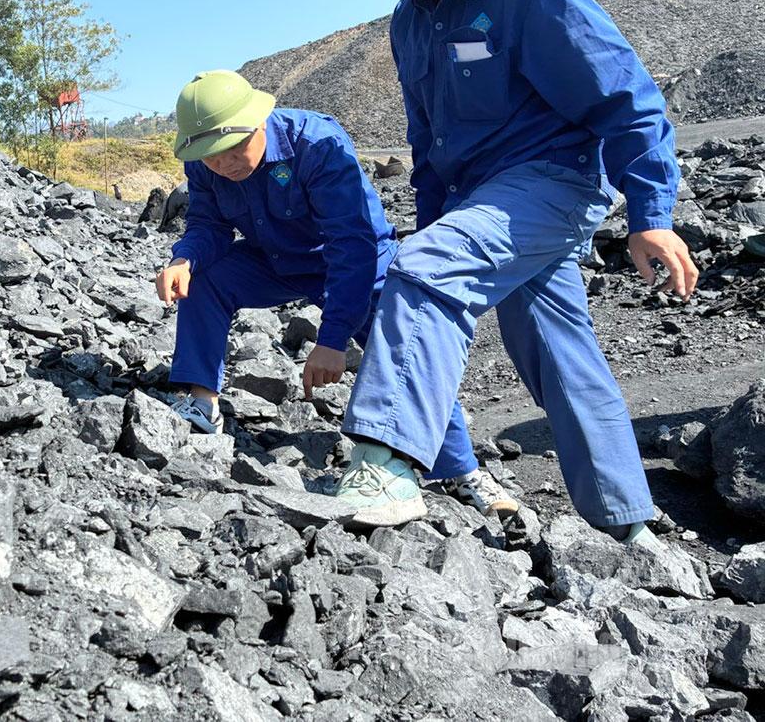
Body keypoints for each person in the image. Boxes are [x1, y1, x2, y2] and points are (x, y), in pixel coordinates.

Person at [336, 0, 699, 542]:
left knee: (418, 271)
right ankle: (629, 529)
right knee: (558, 352)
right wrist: (441, 223)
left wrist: (652, 217)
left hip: (555, 178)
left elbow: (627, 101)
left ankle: (386, 466)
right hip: (485, 198)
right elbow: (430, 145)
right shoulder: (410, 24)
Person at [156, 69, 517, 519]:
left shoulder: (316, 144)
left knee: (403, 353)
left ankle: (461, 471)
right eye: (211, 157)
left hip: (356, 262)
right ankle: (201, 402)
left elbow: (353, 243)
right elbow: (208, 225)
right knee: (204, 278)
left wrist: (332, 341)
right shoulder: (203, 159)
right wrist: (183, 259)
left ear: (257, 122)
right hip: (274, 258)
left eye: (233, 150)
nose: (223, 164)